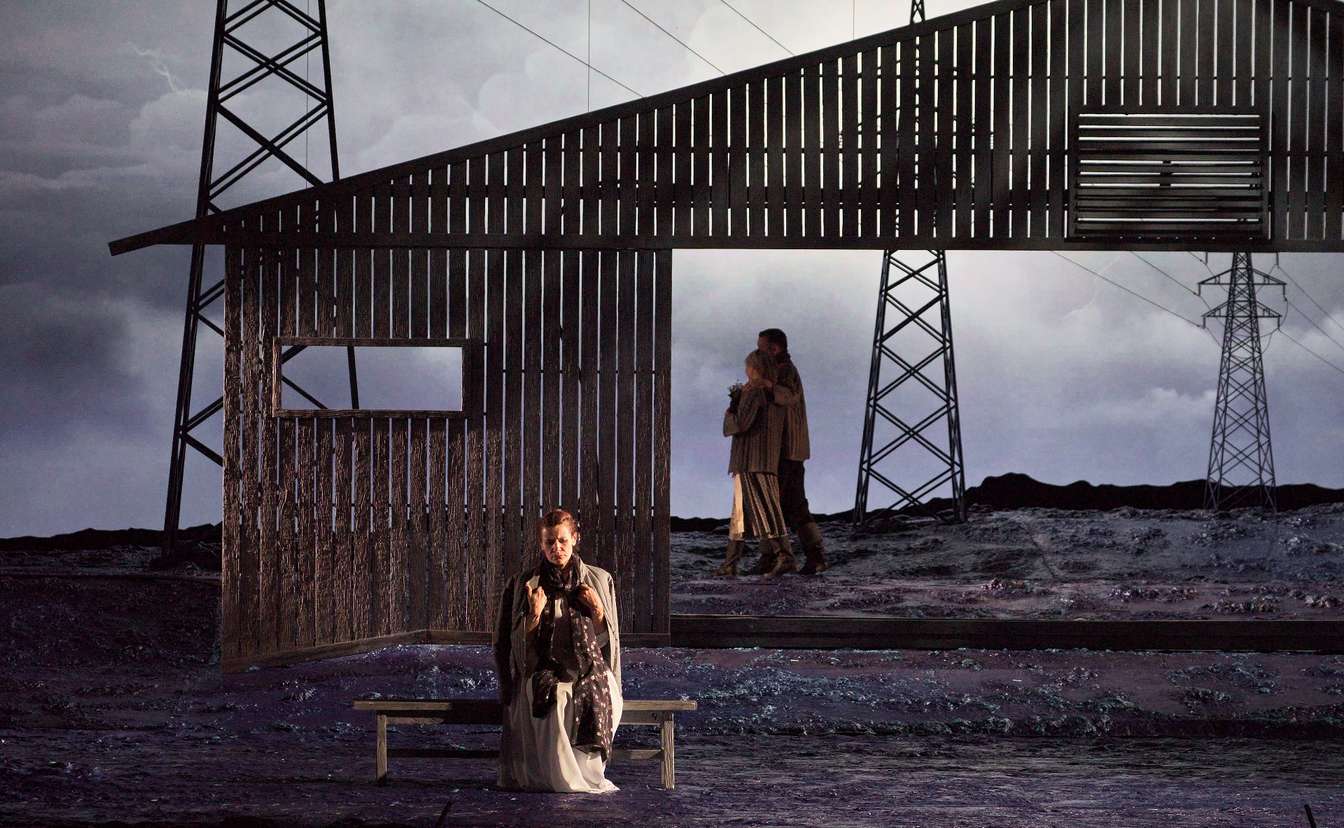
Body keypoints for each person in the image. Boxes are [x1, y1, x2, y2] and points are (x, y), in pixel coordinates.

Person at [493, 508, 623, 792]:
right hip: (544, 667)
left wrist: (598, 611)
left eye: (563, 541)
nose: (557, 548)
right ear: (541, 545)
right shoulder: (525, 584)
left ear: (575, 538)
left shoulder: (598, 580)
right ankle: (558, 778)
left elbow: (608, 644)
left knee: (594, 693)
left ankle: (588, 776)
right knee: (553, 697)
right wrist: (534, 616)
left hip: (589, 667)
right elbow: (512, 647)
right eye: (549, 542)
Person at [716, 349, 798, 576]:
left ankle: (785, 556)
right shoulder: (773, 394)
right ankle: (730, 563)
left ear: (756, 369)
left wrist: (730, 412)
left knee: (765, 508)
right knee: (740, 513)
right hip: (760, 461)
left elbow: (740, 424)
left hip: (752, 461)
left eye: (748, 367)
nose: (746, 371)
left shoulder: (755, 393)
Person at [758, 328, 829, 575]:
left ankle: (776, 558)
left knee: (780, 503)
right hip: (784, 450)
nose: (758, 352)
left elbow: (785, 396)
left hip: (786, 450)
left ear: (774, 348)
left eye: (762, 347)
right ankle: (808, 557)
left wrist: (765, 386)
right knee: (788, 503)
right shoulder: (778, 371)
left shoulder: (785, 371)